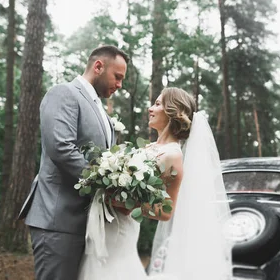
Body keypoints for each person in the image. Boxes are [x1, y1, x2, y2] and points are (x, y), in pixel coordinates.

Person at [77, 87, 232, 280]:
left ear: (172, 112)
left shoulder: (172, 155)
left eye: (157, 104)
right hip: (107, 226)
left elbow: (166, 212)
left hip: (120, 231)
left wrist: (125, 203)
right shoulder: (151, 147)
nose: (150, 108)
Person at [17, 45, 129, 280]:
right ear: (98, 66)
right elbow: (61, 148)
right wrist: (108, 184)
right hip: (58, 218)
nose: (120, 84)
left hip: (87, 224)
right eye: (117, 77)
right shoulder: (64, 93)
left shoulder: (104, 114)